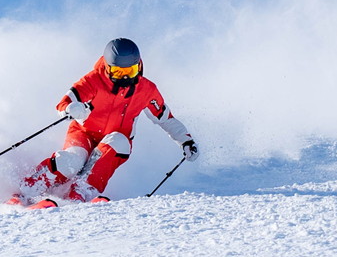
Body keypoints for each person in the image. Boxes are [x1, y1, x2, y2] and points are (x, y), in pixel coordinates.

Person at [10, 37, 198, 209]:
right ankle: (26, 192)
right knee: (72, 160)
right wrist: (71, 109)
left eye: (130, 71)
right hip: (83, 133)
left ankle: (80, 194)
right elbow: (64, 103)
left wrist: (185, 141)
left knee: (117, 142)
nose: (125, 77)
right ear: (108, 68)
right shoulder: (94, 80)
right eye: (118, 71)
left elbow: (165, 118)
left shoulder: (146, 90)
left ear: (139, 66)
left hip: (115, 140)